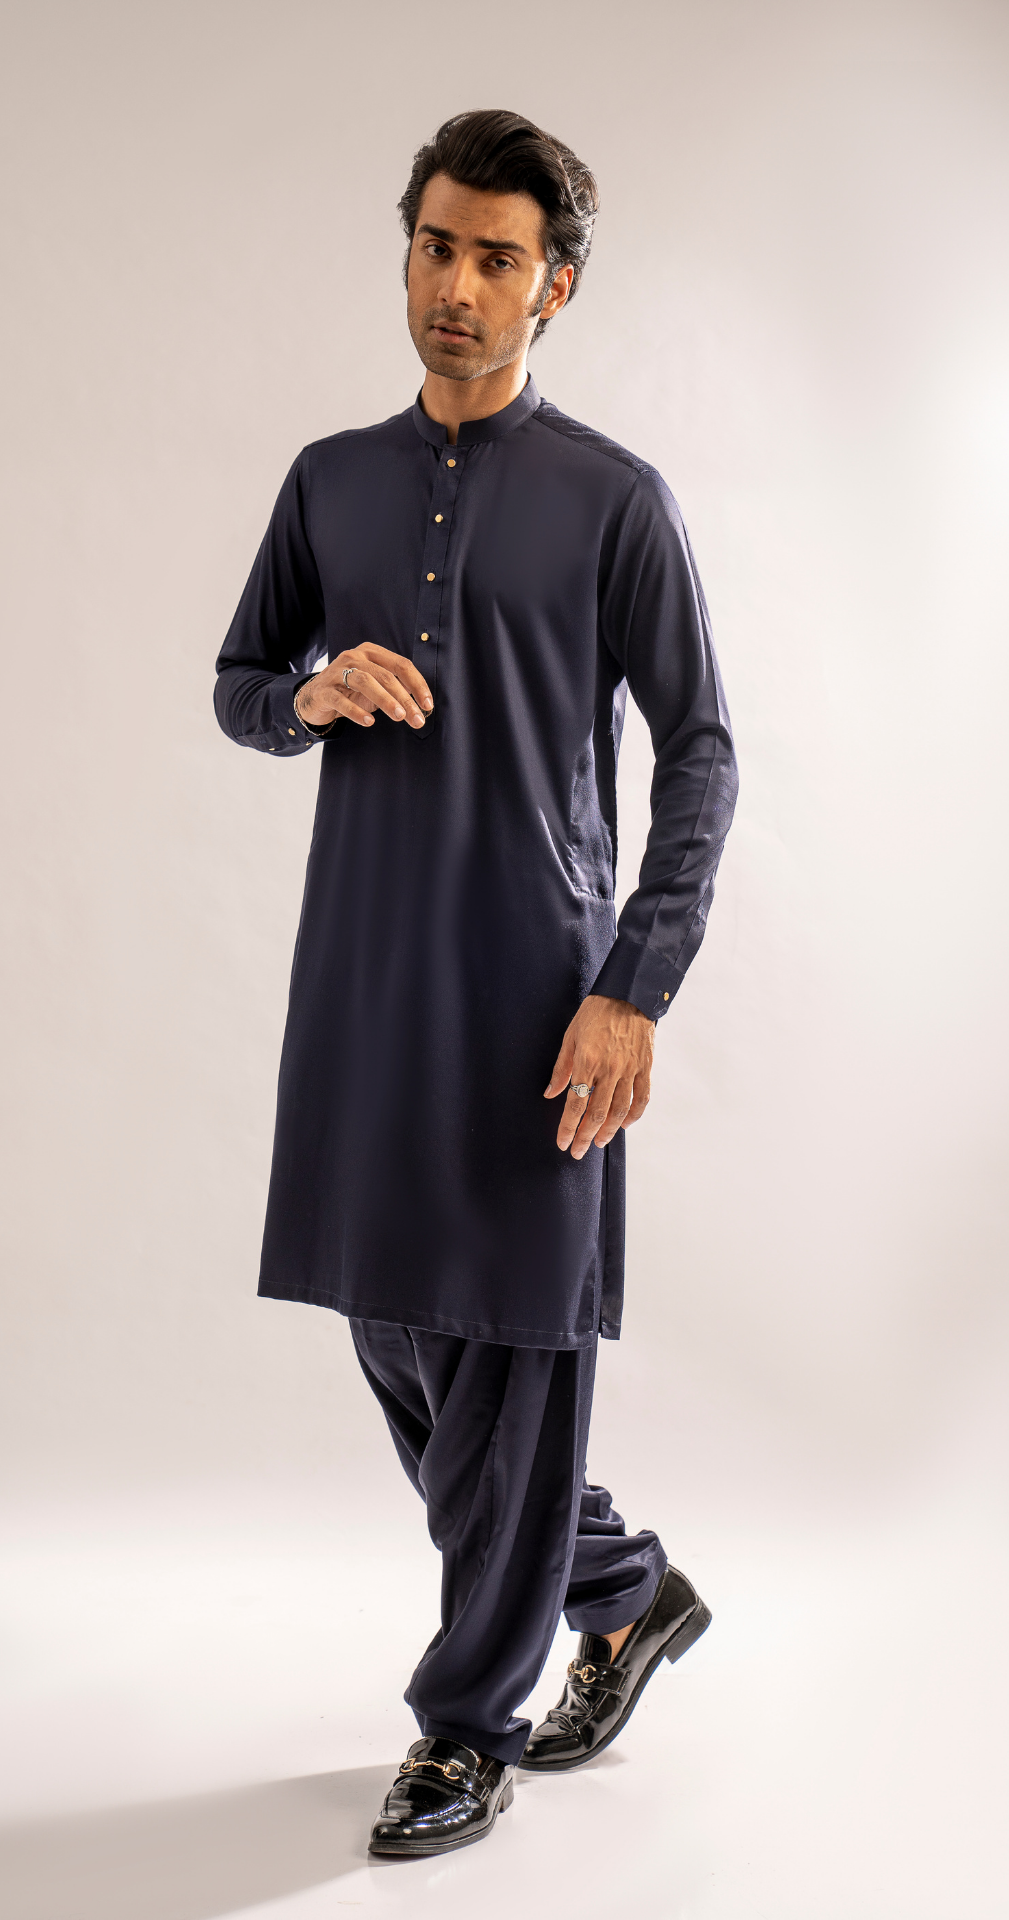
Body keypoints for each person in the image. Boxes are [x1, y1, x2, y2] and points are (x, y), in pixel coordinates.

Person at [214, 108, 738, 1858]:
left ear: (554, 287)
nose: (456, 285)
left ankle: (464, 1728)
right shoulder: (328, 481)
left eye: (496, 258)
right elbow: (239, 678)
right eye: (436, 246)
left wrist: (636, 985)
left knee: (515, 1358)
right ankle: (627, 1590)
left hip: (541, 1007)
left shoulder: (614, 500)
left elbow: (704, 751)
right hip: (364, 987)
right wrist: (307, 693)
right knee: (397, 1327)